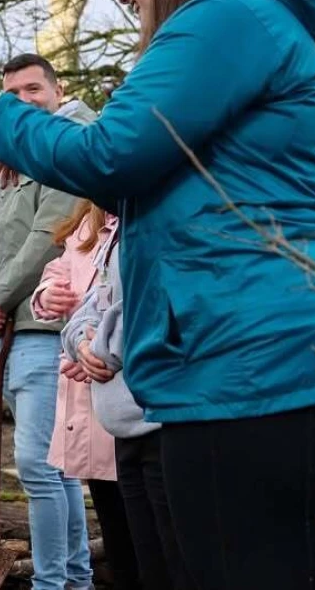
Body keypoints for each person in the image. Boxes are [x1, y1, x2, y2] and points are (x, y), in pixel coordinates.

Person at [0, 0, 315, 590]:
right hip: (257, 353)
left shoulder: (223, 20)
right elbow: (130, 181)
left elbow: (112, 154)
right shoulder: (250, 23)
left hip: (244, 359)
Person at [0, 54, 96, 590]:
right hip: (15, 330)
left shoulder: (63, 143)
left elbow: (51, 233)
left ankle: (53, 584)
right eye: (11, 94)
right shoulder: (14, 161)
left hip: (44, 329)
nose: (23, 100)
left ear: (57, 89)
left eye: (33, 89)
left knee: (41, 469)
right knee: (56, 467)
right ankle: (73, 579)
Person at [58, 215, 193, 590]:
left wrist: (96, 347)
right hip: (122, 425)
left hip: (160, 422)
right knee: (142, 559)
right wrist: (82, 344)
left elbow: (142, 310)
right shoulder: (112, 240)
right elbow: (85, 312)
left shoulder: (156, 227)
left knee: (174, 560)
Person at [31, 202, 143, 590]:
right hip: (92, 395)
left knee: (145, 529)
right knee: (114, 525)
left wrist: (98, 350)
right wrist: (47, 295)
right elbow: (62, 272)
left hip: (129, 393)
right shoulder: (85, 226)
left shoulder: (141, 220)